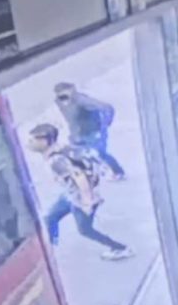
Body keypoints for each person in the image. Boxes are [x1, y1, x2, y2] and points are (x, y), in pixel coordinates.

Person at [27, 123, 134, 261]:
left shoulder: (56, 160)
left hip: (81, 197)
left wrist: (87, 201)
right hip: (70, 195)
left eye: (32, 141)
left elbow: (79, 177)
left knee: (85, 230)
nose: (29, 144)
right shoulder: (62, 149)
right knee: (50, 217)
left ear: (43, 141)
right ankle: (50, 248)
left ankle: (120, 248)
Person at [53, 82, 126, 180]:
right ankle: (84, 175)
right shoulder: (58, 102)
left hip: (93, 132)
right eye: (60, 94)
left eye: (66, 93)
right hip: (77, 133)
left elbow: (106, 107)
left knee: (99, 153)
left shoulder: (82, 101)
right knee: (77, 154)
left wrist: (106, 122)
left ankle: (118, 171)